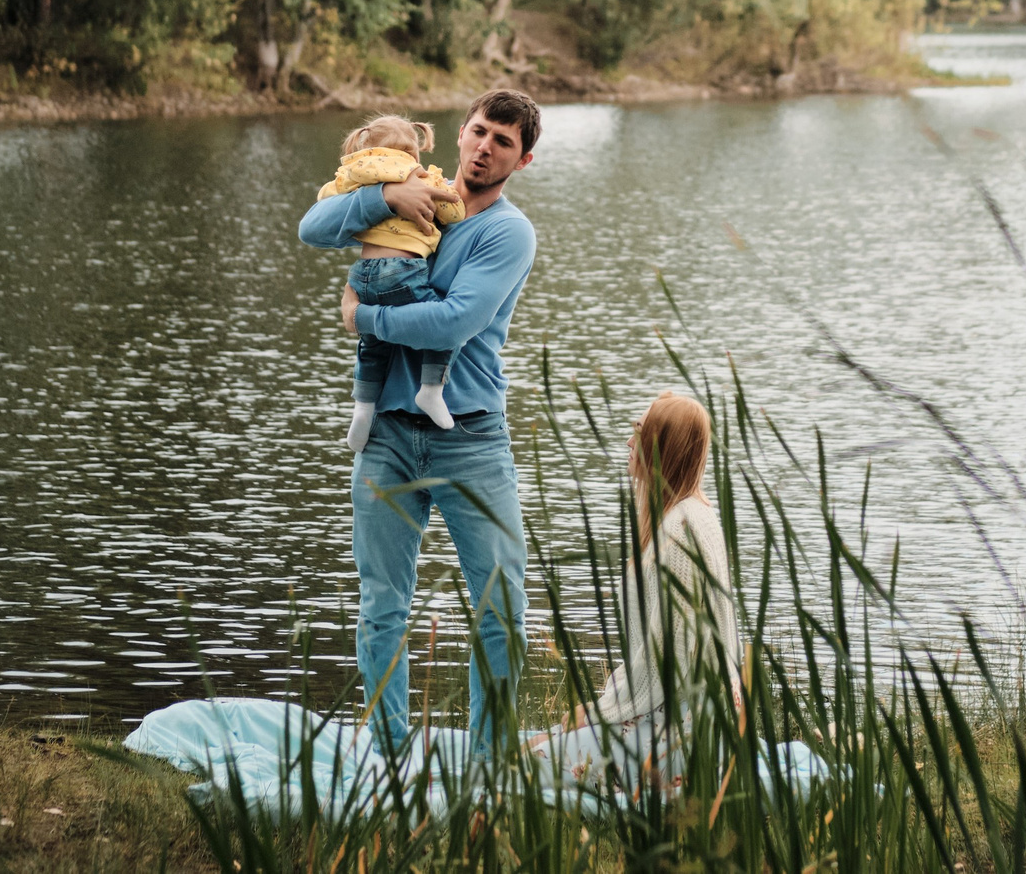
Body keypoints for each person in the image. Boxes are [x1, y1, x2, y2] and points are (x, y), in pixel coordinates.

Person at [297, 88, 541, 755]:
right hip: (389, 439)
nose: (485, 147)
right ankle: (387, 754)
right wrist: (383, 203)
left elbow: (454, 321)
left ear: (522, 161)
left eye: (503, 142)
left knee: (500, 608)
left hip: (471, 438)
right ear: (460, 133)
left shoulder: (506, 231)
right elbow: (313, 228)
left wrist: (361, 317)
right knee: (382, 606)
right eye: (479, 131)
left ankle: (492, 764)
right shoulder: (411, 186)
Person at [533, 390, 742, 791]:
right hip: (692, 711)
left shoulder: (679, 535)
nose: (629, 443)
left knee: (534, 767)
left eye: (639, 433)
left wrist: (597, 712)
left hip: (686, 728)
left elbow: (668, 662)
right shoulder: (693, 511)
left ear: (663, 448)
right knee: (543, 747)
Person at [316, 114, 468, 446]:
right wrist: (444, 190)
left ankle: (363, 409)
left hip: (362, 276)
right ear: (414, 150)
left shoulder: (357, 174)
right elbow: (453, 211)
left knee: (373, 346)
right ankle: (430, 390)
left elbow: (324, 200)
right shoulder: (417, 176)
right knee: (443, 329)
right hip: (401, 270)